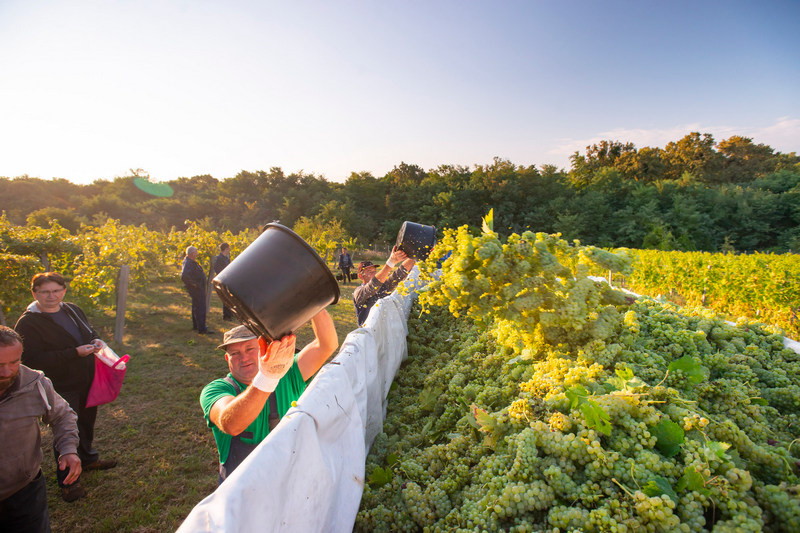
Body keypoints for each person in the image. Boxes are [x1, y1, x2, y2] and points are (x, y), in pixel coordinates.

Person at [13, 272, 118, 503]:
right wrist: (73, 353)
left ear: (64, 291)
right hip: (59, 383)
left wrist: (96, 340)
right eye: (45, 292)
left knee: (87, 420)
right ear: (34, 293)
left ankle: (88, 459)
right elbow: (30, 359)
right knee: (66, 429)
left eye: (56, 290)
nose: (51, 296)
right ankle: (68, 481)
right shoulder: (28, 322)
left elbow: (88, 331)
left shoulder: (71, 309)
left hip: (86, 377)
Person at [200, 309, 338, 482]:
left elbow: (326, 345)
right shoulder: (216, 390)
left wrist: (314, 303)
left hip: (294, 476)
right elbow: (231, 423)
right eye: (235, 353)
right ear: (227, 360)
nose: (244, 358)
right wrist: (267, 378)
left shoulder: (287, 373)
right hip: (243, 491)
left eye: (250, 349)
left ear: (263, 349)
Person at [0, 326, 83, 530]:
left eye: (14, 362)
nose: (7, 371)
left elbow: (63, 415)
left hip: (24, 492)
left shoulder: (35, 384)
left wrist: (68, 449)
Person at [353, 246, 416, 326]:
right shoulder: (359, 292)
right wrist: (391, 262)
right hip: (369, 334)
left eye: (374, 271)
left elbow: (399, 273)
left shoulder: (383, 286)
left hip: (386, 329)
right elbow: (373, 285)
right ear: (360, 276)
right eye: (369, 271)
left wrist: (416, 256)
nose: (373, 273)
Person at [181, 245, 209, 334]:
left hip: (197, 289)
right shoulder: (188, 262)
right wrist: (195, 285)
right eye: (196, 252)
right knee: (200, 307)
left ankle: (197, 325)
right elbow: (184, 276)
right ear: (192, 253)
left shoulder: (190, 261)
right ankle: (202, 328)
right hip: (197, 289)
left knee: (196, 307)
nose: (197, 254)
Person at [213, 243, 234, 321]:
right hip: (223, 281)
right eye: (228, 248)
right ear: (225, 249)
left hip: (228, 280)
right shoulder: (219, 258)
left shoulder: (226, 258)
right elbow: (217, 269)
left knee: (229, 297)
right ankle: (226, 316)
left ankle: (230, 313)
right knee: (225, 298)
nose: (229, 250)